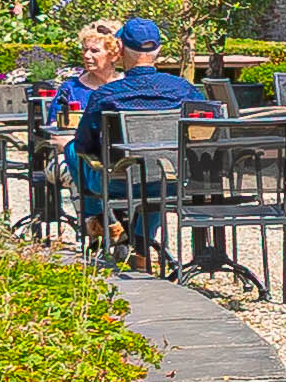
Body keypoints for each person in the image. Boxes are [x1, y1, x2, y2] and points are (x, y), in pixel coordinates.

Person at [65, 17, 209, 258]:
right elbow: (207, 125)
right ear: (159, 50)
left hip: (117, 182)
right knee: (156, 165)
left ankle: (100, 217)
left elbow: (83, 144)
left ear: (119, 49)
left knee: (72, 149)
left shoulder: (107, 94)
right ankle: (141, 244)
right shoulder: (183, 89)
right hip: (172, 180)